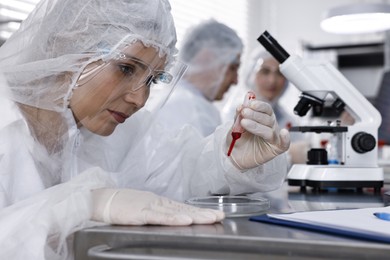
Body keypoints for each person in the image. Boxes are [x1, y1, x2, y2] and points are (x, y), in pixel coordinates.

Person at [0, 0, 290, 259]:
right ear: (68, 45)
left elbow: (180, 171)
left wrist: (230, 159)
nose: (139, 99)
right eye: (126, 68)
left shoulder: (121, 133)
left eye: (152, 80)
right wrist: (78, 206)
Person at [153, 19, 243, 137]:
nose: (235, 81)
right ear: (207, 58)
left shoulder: (188, 104)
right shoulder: (184, 109)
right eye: (232, 67)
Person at [221, 46, 309, 165]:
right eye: (265, 71)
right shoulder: (235, 114)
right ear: (251, 75)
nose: (272, 80)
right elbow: (234, 163)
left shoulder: (287, 119)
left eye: (279, 73)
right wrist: (289, 157)